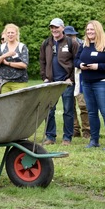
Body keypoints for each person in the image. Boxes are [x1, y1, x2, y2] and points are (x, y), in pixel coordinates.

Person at [76, 20, 105, 150]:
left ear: (98, 30)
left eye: (92, 30)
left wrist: (97, 66)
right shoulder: (83, 45)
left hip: (103, 83)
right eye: (88, 30)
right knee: (92, 112)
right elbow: (76, 60)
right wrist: (80, 65)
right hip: (87, 82)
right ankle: (94, 140)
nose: (89, 32)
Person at [39, 18, 79, 146]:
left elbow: (77, 62)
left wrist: (71, 78)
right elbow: (42, 62)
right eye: (52, 27)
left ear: (62, 28)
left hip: (66, 83)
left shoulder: (71, 42)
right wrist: (45, 77)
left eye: (56, 27)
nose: (54, 30)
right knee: (49, 110)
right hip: (51, 83)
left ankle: (67, 138)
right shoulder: (46, 43)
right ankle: (50, 136)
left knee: (68, 110)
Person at [65, 26, 90, 139]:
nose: (70, 37)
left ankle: (87, 130)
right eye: (68, 35)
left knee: (83, 105)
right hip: (68, 78)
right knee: (70, 106)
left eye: (72, 35)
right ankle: (75, 129)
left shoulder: (84, 45)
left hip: (80, 77)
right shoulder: (61, 46)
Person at [0, 23, 29, 93]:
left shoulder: (22, 47)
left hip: (19, 82)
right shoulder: (1, 47)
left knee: (19, 103)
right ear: (5, 34)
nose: (10, 35)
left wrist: (8, 63)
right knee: (6, 103)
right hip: (4, 82)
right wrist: (5, 55)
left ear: (16, 34)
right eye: (8, 33)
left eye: (12, 32)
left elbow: (24, 65)